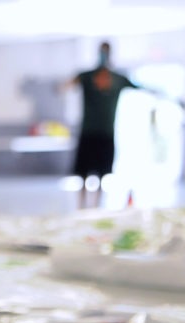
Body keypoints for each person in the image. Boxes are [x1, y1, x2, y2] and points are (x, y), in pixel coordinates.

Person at [67, 41, 139, 209]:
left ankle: (96, 206)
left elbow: (142, 87)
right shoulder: (86, 77)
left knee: (102, 173)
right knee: (83, 173)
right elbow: (66, 85)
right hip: (87, 133)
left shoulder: (118, 80)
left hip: (106, 134)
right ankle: (82, 206)